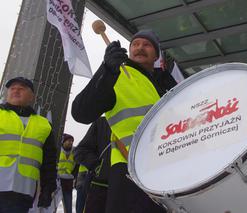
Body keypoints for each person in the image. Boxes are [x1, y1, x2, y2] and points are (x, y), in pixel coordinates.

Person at [72, 29, 177, 212]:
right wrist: (106, 70)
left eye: (146, 44)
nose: (140, 48)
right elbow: (81, 113)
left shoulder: (166, 84)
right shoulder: (117, 74)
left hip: (168, 168)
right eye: (135, 44)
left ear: (156, 55)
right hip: (129, 171)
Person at [0, 77, 57, 212]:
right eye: (12, 88)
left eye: (21, 88)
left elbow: (49, 161)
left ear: (32, 96)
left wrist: (48, 188)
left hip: (23, 192)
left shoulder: (44, 125)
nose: (16, 91)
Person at [74, 117, 111, 213]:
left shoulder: (147, 122)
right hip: (101, 187)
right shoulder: (102, 123)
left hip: (135, 190)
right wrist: (98, 166)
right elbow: (80, 151)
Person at [57, 133, 78, 213]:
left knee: (68, 206)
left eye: (72, 141)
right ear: (63, 141)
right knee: (53, 205)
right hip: (58, 180)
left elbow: (77, 165)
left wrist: (74, 175)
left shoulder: (74, 151)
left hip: (68, 181)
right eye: (69, 141)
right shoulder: (58, 150)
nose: (71, 142)